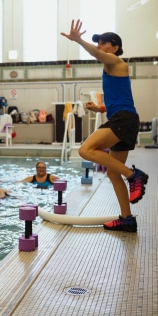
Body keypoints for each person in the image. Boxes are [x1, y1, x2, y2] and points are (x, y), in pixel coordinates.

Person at [61, 19, 148, 233]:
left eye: (103, 42)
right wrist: (100, 109)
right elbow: (121, 98)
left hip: (124, 120)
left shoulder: (118, 63)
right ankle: (127, 220)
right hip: (123, 117)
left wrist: (78, 39)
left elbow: (97, 55)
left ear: (114, 47)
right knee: (111, 173)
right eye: (97, 42)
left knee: (85, 150)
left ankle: (133, 175)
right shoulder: (110, 69)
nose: (99, 46)